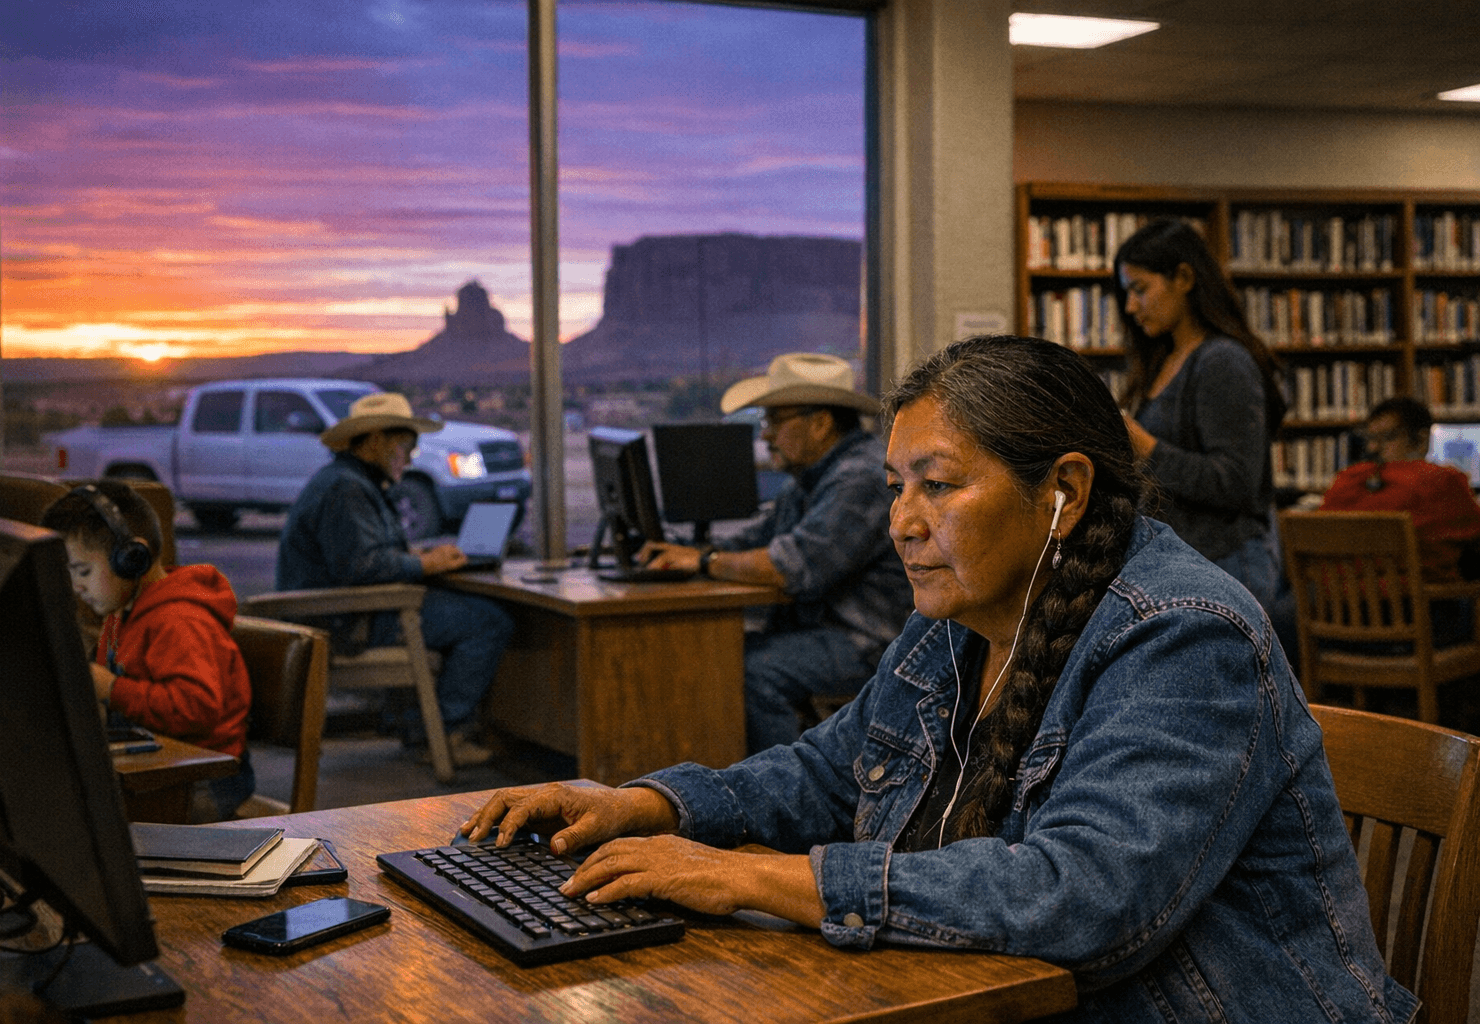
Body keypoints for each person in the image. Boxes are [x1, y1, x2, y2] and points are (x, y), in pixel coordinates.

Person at [464, 336, 1414, 1023]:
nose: (902, 522)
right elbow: (825, 774)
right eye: (893, 487)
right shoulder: (957, 621)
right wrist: (649, 807)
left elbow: (1082, 900)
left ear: (1064, 494)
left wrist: (745, 875)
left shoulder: (1184, 636)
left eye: (940, 484)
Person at [636, 352, 913, 752]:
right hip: (822, 630)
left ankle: (789, 804)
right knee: (723, 654)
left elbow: (793, 567)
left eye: (775, 422)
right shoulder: (811, 478)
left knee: (751, 671)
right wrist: (683, 551)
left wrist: (703, 562)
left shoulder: (860, 478)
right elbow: (756, 539)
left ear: (819, 423)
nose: (765, 435)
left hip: (867, 641)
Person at [276, 391, 514, 767]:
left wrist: (418, 557)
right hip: (346, 621)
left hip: (353, 613)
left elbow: (364, 553)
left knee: (470, 613)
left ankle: (420, 725)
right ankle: (446, 733)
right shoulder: (347, 489)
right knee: (488, 621)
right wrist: (424, 566)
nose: (410, 456)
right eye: (405, 445)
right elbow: (361, 568)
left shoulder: (354, 482)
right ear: (375, 441)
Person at [41, 480, 255, 821]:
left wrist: (111, 688)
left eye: (83, 570)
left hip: (203, 779)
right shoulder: (120, 613)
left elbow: (196, 709)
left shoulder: (177, 620)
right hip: (159, 764)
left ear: (131, 558)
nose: (76, 585)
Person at [1113, 219, 1291, 623]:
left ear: (1184, 277)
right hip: (1184, 565)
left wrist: (1145, 448)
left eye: (1140, 289)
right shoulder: (1163, 362)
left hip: (1225, 565)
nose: (1130, 306)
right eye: (1127, 293)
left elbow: (1237, 482)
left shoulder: (1221, 361)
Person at [1319, 396, 1480, 582]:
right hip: (1413, 604)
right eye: (1371, 438)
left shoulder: (1345, 480)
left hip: (1339, 604)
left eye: (1387, 438)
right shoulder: (1443, 481)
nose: (1373, 447)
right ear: (1422, 439)